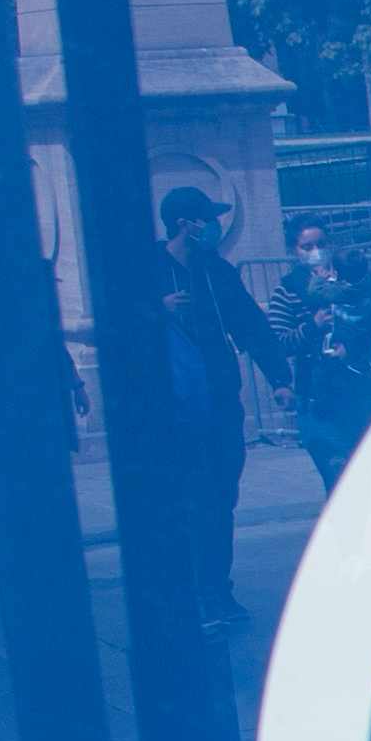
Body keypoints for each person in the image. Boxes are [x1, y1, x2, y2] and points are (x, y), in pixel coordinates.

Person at [137, 186, 288, 630]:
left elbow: (251, 324)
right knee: (190, 500)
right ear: (187, 223)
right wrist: (154, 309)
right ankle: (192, 592)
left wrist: (279, 379)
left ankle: (216, 590)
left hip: (219, 405)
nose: (215, 226)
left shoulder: (215, 272)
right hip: (171, 410)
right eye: (208, 218)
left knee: (220, 499)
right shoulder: (146, 272)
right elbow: (117, 328)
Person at [268, 220, 371, 492]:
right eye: (307, 246)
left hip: (363, 387)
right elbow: (279, 342)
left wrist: (354, 344)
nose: (316, 251)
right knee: (338, 479)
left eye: (321, 244)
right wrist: (312, 327)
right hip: (318, 395)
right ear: (295, 251)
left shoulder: (354, 277)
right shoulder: (288, 290)